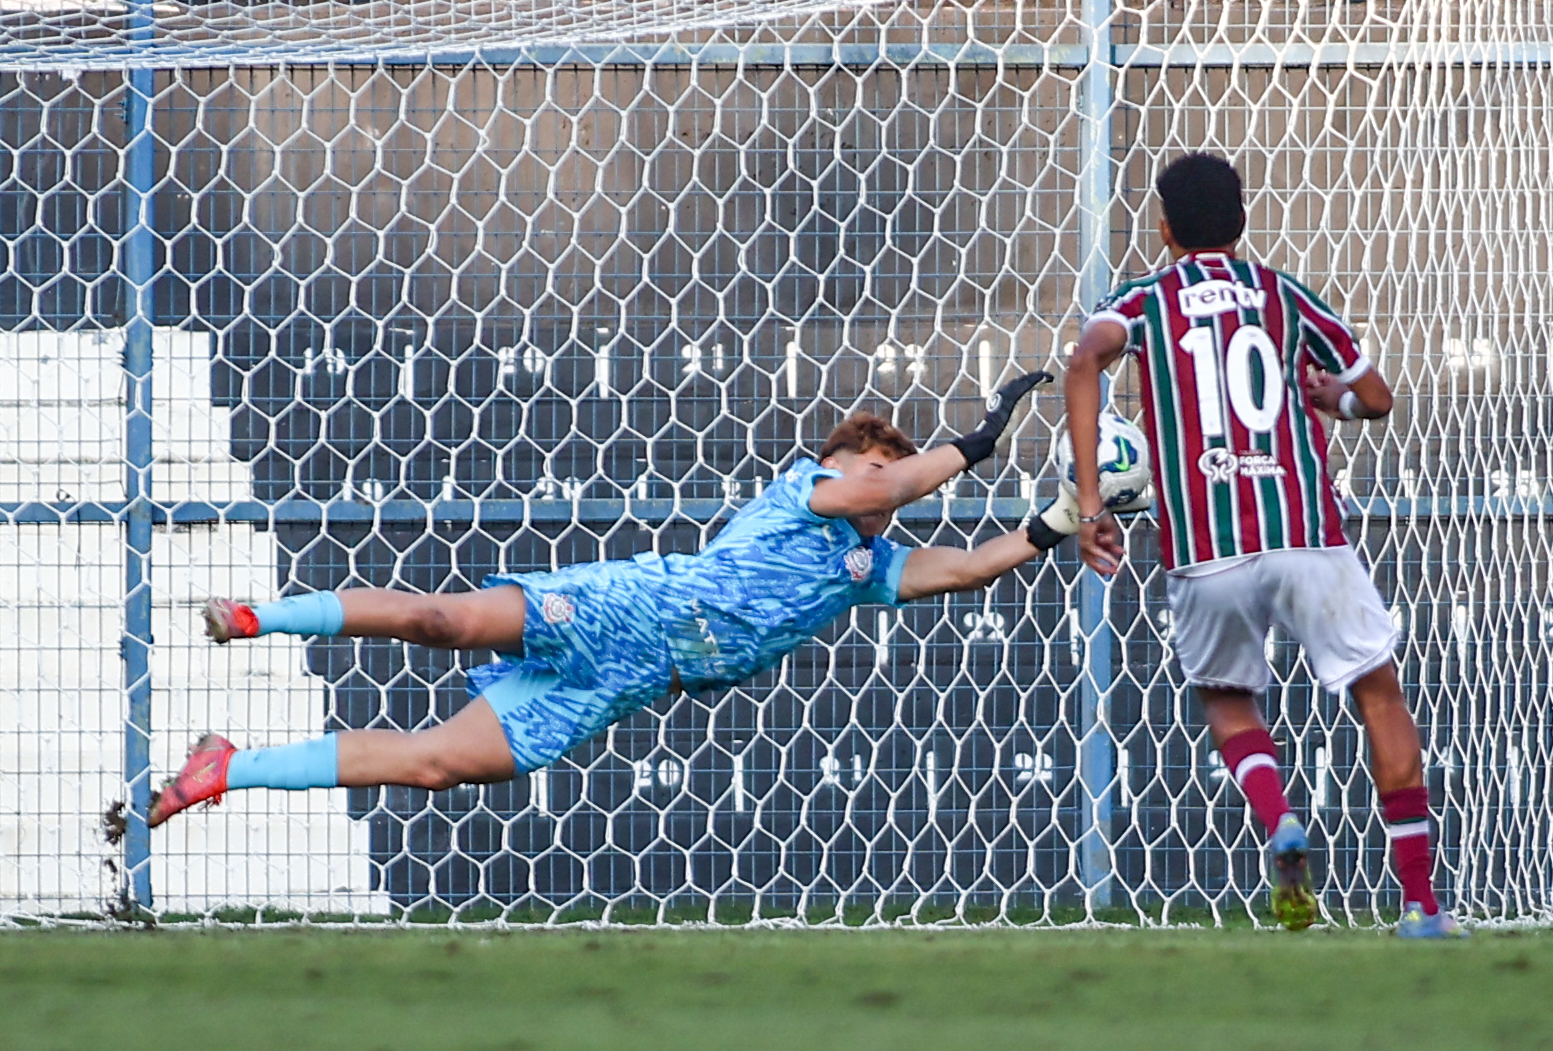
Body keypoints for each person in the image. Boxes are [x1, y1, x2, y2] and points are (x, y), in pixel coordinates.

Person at [149, 371, 1085, 827]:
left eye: (887, 470)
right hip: (620, 608)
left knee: (438, 765)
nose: (878, 480)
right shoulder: (804, 493)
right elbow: (892, 483)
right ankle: (259, 617)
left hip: (630, 677)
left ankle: (228, 767)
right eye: (867, 464)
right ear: (834, 467)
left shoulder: (866, 566)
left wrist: (1062, 517)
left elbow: (968, 566)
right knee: (448, 620)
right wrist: (977, 440)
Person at [1064, 153, 1464, 937]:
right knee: (1378, 694)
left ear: (1164, 229)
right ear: (1241, 221)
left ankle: (1279, 818)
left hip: (1204, 544)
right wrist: (1333, 400)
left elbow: (1084, 360)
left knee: (1225, 695)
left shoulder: (1141, 300)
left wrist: (1088, 505)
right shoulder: (1286, 295)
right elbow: (1374, 396)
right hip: (1306, 533)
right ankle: (1421, 904)